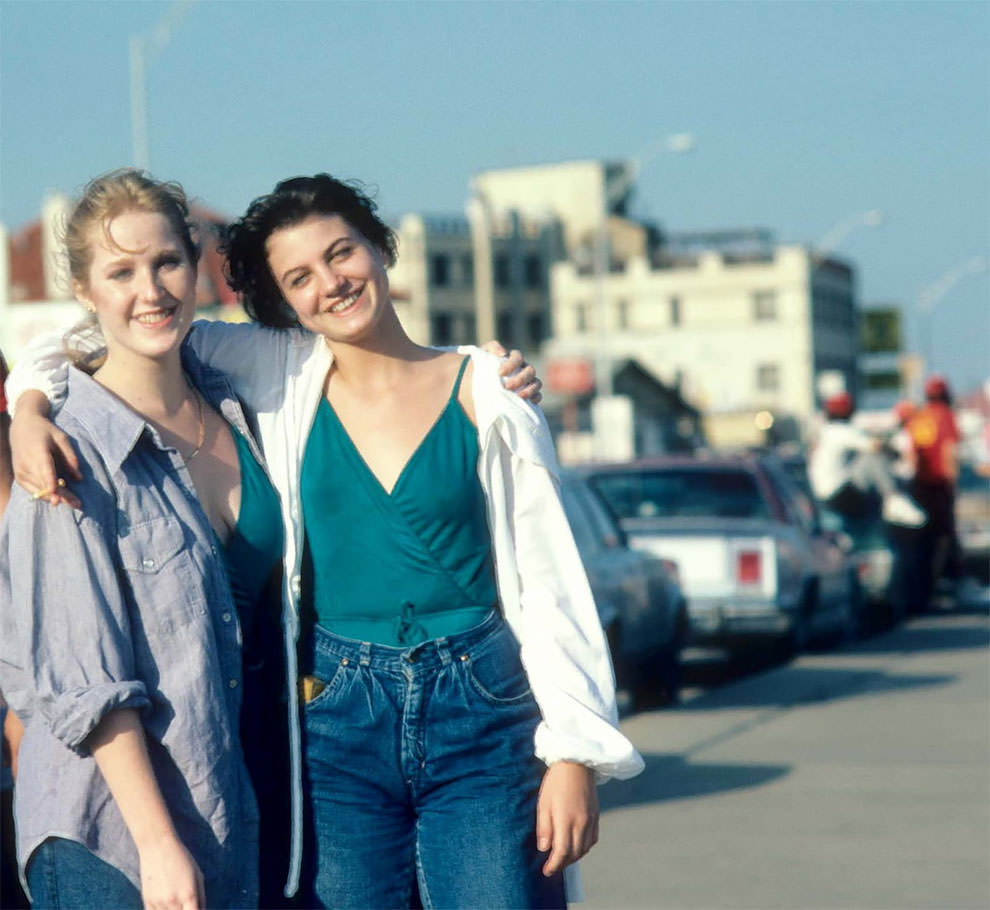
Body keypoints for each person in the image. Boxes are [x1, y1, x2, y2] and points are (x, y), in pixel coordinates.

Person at [8, 173, 642, 908]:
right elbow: (94, 336)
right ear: (282, 300)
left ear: (380, 246)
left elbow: (548, 581)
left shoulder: (489, 391)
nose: (330, 284)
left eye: (342, 253)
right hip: (336, 714)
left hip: (480, 703)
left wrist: (574, 752)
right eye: (298, 278)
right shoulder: (279, 369)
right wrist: (27, 405)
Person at [0, 171, 287, 909]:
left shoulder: (238, 407)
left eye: (165, 262)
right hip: (116, 843)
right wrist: (159, 847)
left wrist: (479, 372)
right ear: (87, 291)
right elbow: (82, 681)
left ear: (195, 266)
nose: (150, 289)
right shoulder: (69, 452)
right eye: (120, 272)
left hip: (227, 808)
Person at [808, 391, 926, 530]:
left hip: (824, 496)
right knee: (872, 457)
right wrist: (896, 451)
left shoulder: (826, 431)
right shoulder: (841, 430)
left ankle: (892, 501)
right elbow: (875, 446)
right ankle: (893, 498)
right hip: (840, 494)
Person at [907, 374, 963, 606]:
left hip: (920, 487)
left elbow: (911, 454)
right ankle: (942, 585)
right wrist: (953, 483)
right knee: (943, 536)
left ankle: (924, 590)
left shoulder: (918, 417)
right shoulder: (945, 416)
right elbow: (949, 451)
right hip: (939, 485)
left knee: (924, 539)